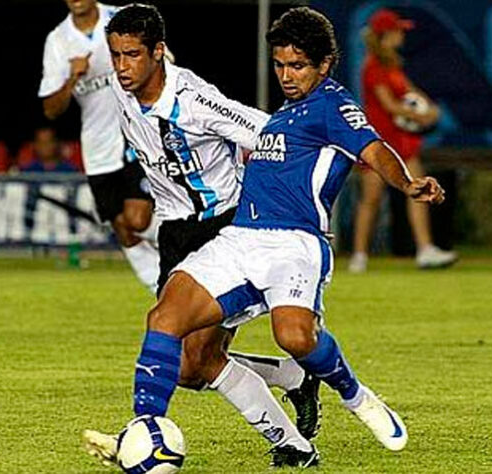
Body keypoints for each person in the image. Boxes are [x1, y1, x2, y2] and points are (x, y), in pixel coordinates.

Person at [110, 6, 448, 467]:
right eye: (280, 65)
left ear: (324, 64)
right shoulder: (287, 113)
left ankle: (355, 395)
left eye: (297, 66)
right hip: (237, 238)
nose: (286, 75)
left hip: (287, 241)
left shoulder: (332, 105)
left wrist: (406, 182)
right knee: (168, 325)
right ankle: (146, 428)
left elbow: (374, 148)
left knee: (292, 337)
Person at [82, 4, 322, 468]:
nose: (121, 66)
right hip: (176, 233)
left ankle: (292, 447)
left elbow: (267, 131)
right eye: (115, 55)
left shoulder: (192, 99)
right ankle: (292, 376)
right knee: (192, 368)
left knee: (180, 346)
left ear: (158, 52)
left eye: (132, 55)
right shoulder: (121, 86)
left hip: (226, 227)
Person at [40, 0, 159, 290]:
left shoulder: (123, 18)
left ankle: (194, 246)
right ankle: (163, 289)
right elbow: (51, 110)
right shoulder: (58, 41)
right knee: (123, 229)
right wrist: (72, 78)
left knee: (138, 218)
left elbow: (164, 63)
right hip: (98, 148)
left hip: (137, 134)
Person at [348, 8, 456, 272]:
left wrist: (429, 109)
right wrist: (420, 117)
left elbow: (411, 92)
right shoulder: (372, 67)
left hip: (402, 140)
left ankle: (425, 249)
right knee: (371, 199)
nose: (402, 35)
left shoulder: (392, 64)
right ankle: (359, 255)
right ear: (386, 34)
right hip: (378, 143)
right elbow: (390, 106)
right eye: (398, 30)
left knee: (419, 191)